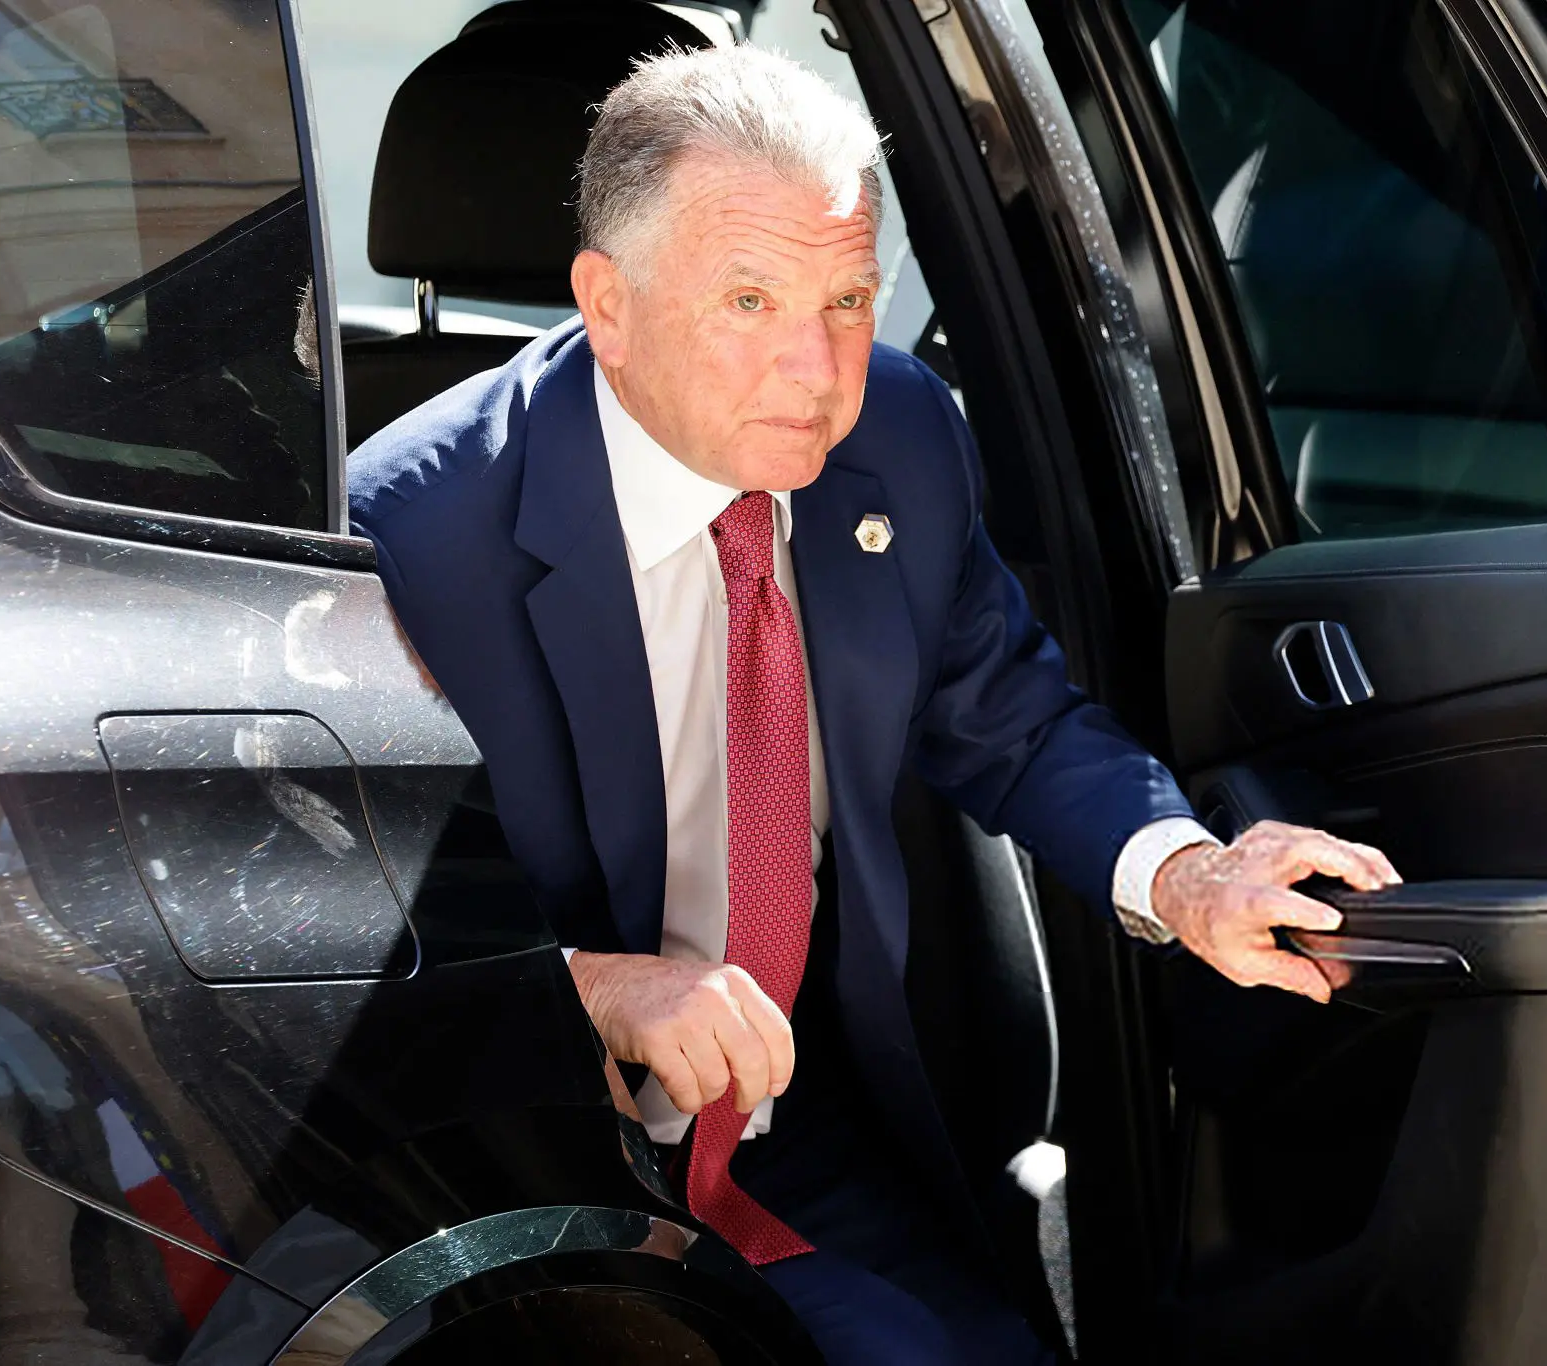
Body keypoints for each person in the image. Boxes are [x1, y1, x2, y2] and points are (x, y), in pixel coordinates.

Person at [349, 44, 1399, 1366]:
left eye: (849, 298)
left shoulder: (898, 436)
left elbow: (1010, 715)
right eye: (750, 300)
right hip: (518, 1161)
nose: (817, 370)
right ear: (607, 307)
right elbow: (322, 946)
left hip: (801, 1127)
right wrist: (592, 990)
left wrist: (1188, 875)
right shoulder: (407, 535)